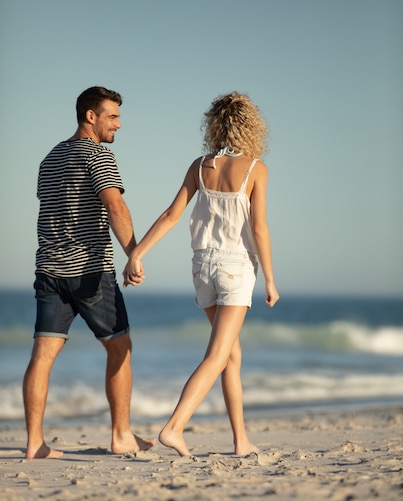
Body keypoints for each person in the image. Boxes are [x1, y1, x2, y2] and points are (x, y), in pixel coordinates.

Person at [124, 92, 279, 457]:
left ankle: (241, 441)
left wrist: (138, 253)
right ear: (251, 126)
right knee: (216, 356)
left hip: (202, 267)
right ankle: (174, 428)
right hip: (235, 269)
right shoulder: (256, 168)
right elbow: (259, 229)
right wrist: (270, 278)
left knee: (231, 355)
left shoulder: (199, 166)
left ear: (215, 124)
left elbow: (171, 215)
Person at [23, 86, 155, 459]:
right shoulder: (98, 155)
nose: (119, 124)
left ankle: (35, 443)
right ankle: (121, 435)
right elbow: (115, 206)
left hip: (49, 270)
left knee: (42, 356)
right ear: (90, 116)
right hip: (91, 272)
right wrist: (135, 253)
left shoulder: (49, 158)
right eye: (112, 116)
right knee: (121, 348)